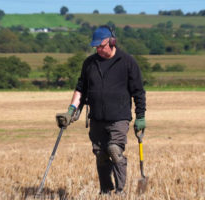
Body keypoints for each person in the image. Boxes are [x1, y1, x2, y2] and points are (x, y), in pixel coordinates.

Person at [56, 25, 146, 195]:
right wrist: (71, 111)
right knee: (101, 154)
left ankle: (120, 192)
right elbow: (81, 89)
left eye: (101, 46)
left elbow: (138, 92)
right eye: (96, 46)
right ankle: (105, 191)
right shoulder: (89, 63)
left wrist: (140, 116)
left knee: (114, 150)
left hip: (119, 117)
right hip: (96, 117)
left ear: (112, 42)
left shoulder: (127, 62)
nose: (98, 49)